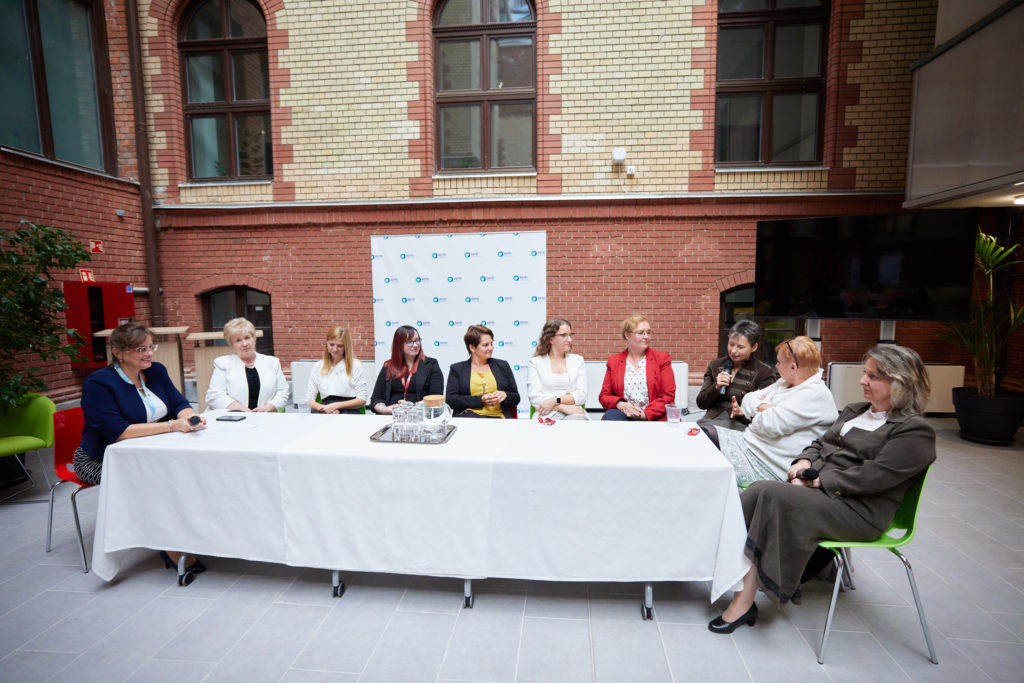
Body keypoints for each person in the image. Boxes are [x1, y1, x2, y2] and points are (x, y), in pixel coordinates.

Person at [708, 344, 935, 634]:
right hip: (822, 497)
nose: (862, 381)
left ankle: (741, 597)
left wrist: (815, 480)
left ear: (900, 383)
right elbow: (819, 443)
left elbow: (874, 477)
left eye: (873, 376)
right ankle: (730, 573)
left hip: (858, 511)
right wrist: (804, 461)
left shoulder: (914, 431)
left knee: (768, 492)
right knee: (759, 493)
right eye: (865, 373)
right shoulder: (856, 411)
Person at [75, 322, 208, 585]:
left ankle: (194, 532)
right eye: (140, 349)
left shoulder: (155, 371)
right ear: (118, 352)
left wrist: (189, 417)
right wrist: (173, 426)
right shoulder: (98, 383)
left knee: (192, 470)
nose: (149, 354)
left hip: (153, 451)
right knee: (152, 480)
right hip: (99, 458)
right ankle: (171, 548)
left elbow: (179, 403)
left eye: (150, 347)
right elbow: (118, 431)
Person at [707, 336, 838, 487]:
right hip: (749, 443)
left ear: (793, 367)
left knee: (706, 450)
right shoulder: (786, 382)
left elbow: (768, 426)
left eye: (779, 362)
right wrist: (764, 408)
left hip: (766, 463)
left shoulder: (815, 395)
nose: (776, 365)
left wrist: (758, 413)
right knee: (703, 432)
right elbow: (748, 398)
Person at [696, 320, 777, 431]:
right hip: (710, 422)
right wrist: (716, 387)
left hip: (741, 427)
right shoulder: (715, 365)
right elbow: (701, 403)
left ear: (754, 347)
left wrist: (743, 413)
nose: (733, 351)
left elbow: (765, 415)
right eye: (731, 344)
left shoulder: (765, 373)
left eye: (740, 347)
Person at [599, 315, 675, 421]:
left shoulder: (662, 359)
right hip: (625, 415)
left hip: (654, 415)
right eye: (641, 333)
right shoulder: (614, 361)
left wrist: (644, 414)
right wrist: (620, 404)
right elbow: (604, 396)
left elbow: (668, 396)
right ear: (627, 335)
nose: (646, 336)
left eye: (649, 332)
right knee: (610, 417)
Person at [205, 317, 289, 412]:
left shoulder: (272, 362)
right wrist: (245, 411)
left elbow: (283, 392)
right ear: (231, 344)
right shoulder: (223, 363)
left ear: (254, 339)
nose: (244, 344)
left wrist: (267, 408)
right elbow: (214, 396)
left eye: (247, 338)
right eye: (238, 340)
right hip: (233, 417)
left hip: (265, 416)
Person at [446, 324, 520, 418]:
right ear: (472, 347)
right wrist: (480, 400)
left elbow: (516, 397)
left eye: (491, 343)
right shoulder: (457, 369)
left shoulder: (503, 366)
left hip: (499, 418)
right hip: (469, 418)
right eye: (485, 345)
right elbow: (451, 400)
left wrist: (505, 395)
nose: (491, 348)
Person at [370, 325, 444, 414]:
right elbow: (376, 399)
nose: (415, 345)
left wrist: (411, 407)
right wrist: (385, 410)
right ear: (399, 344)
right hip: (392, 416)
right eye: (409, 342)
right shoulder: (388, 366)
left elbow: (436, 397)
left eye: (417, 340)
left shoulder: (431, 364)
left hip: (420, 415)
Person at [527, 319, 589, 421]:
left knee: (575, 423)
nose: (569, 339)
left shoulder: (578, 361)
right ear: (551, 339)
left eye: (570, 335)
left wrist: (555, 400)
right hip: (546, 414)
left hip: (574, 414)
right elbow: (535, 398)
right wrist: (562, 407)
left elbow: (581, 395)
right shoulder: (535, 363)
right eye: (564, 335)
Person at [306, 325, 367, 414]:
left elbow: (362, 399)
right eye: (331, 344)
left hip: (349, 410)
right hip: (324, 409)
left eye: (340, 346)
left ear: (346, 346)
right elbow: (309, 400)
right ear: (326, 343)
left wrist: (336, 406)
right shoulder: (318, 366)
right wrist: (324, 409)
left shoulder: (355, 366)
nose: (335, 349)